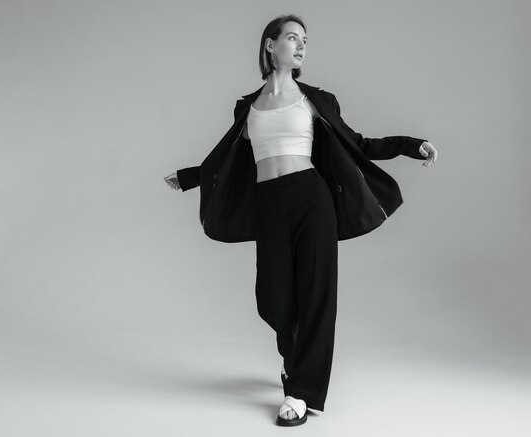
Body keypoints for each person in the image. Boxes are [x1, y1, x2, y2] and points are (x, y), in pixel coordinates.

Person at [164, 14, 437, 427]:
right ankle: (295, 367)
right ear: (270, 46)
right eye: (292, 38)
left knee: (315, 295)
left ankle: (302, 393)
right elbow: (227, 159)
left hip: (312, 198)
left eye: (304, 40)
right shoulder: (247, 105)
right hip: (268, 202)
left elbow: (358, 143)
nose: (301, 45)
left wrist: (410, 145)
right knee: (275, 297)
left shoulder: (317, 100)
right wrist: (188, 178)